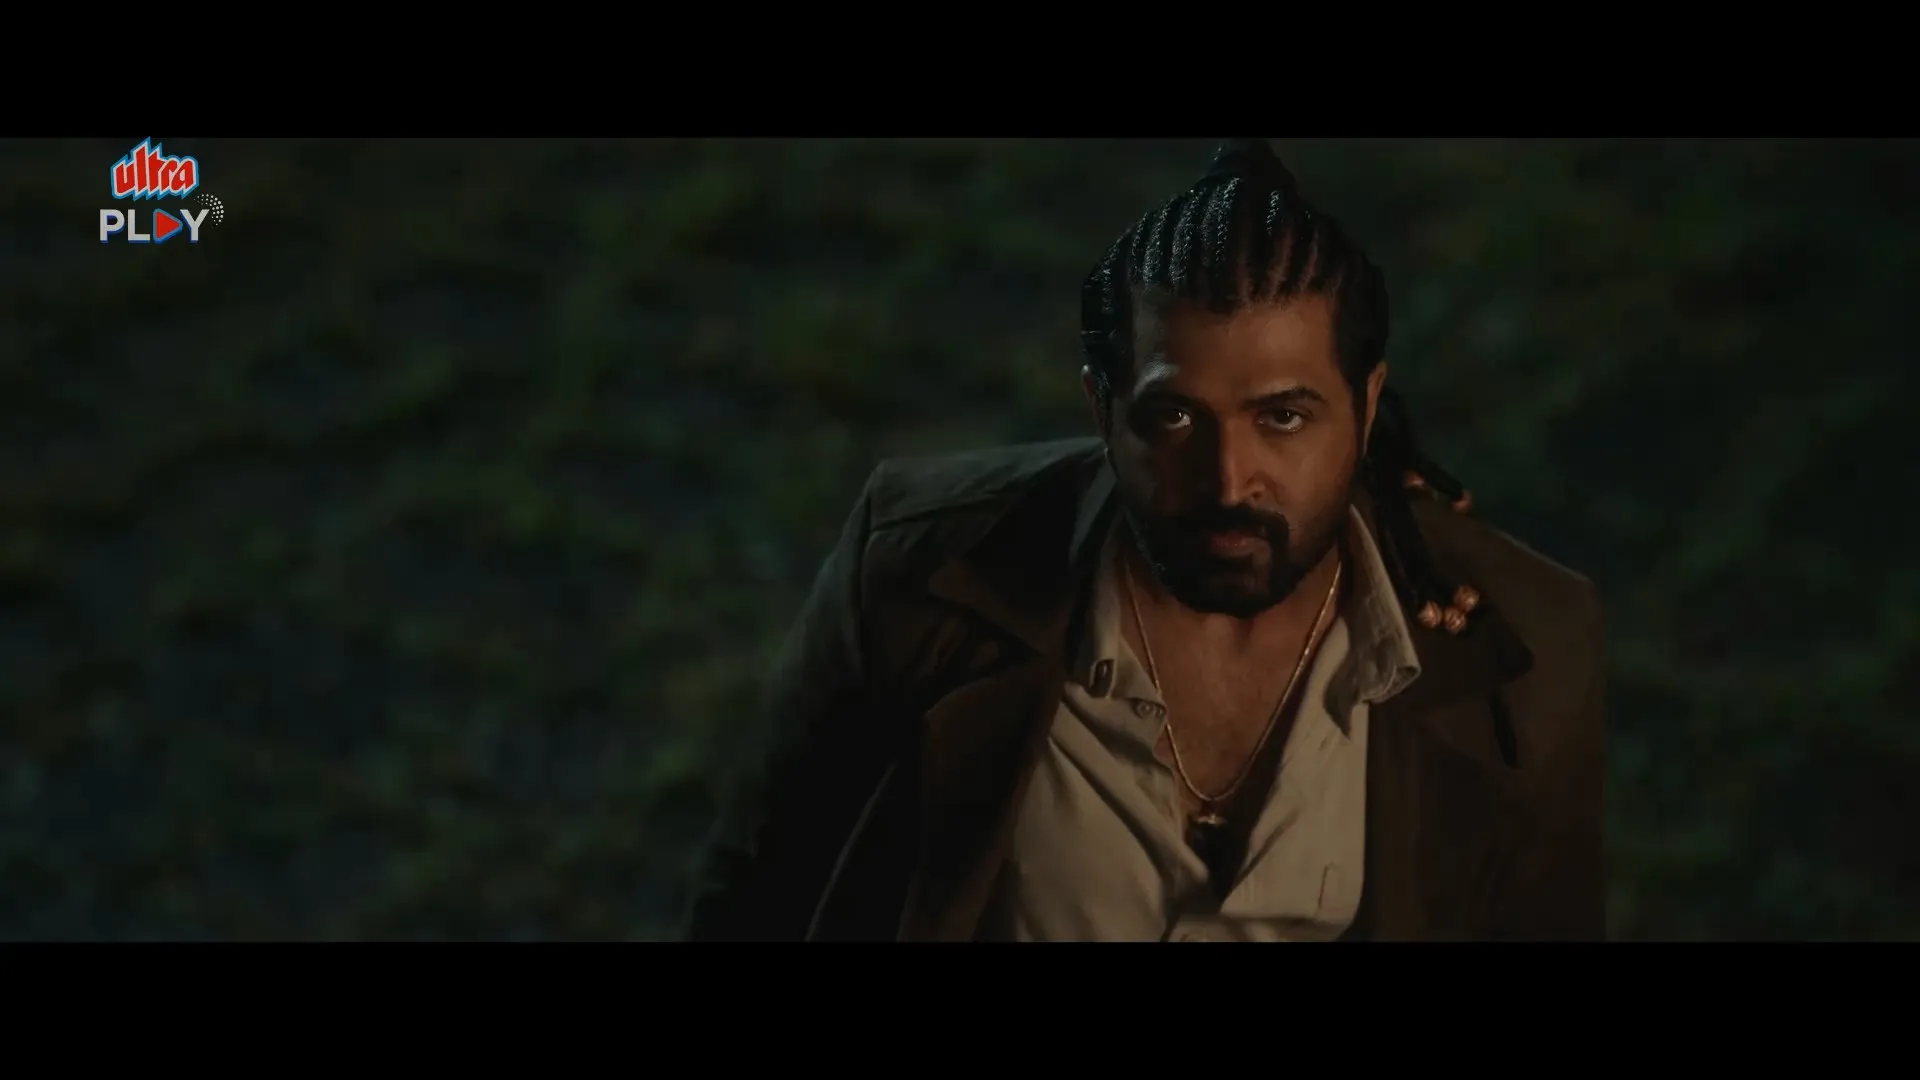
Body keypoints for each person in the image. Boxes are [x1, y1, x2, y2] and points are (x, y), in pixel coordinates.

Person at [685, 139, 1606, 942]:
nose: (1229, 481)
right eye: (1174, 418)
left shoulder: (1527, 647)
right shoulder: (919, 575)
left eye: (1283, 417)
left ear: (1365, 409)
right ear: (1103, 409)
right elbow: (759, 900)